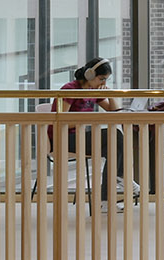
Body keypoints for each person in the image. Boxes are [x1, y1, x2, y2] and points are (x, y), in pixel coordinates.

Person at [52, 57, 132, 203]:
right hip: (64, 138)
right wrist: (88, 119)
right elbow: (61, 121)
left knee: (113, 149)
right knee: (112, 135)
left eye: (106, 80)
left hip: (81, 137)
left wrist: (110, 95)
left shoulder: (93, 90)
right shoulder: (70, 89)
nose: (103, 83)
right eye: (102, 79)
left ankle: (105, 200)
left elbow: (114, 112)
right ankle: (119, 177)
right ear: (89, 75)